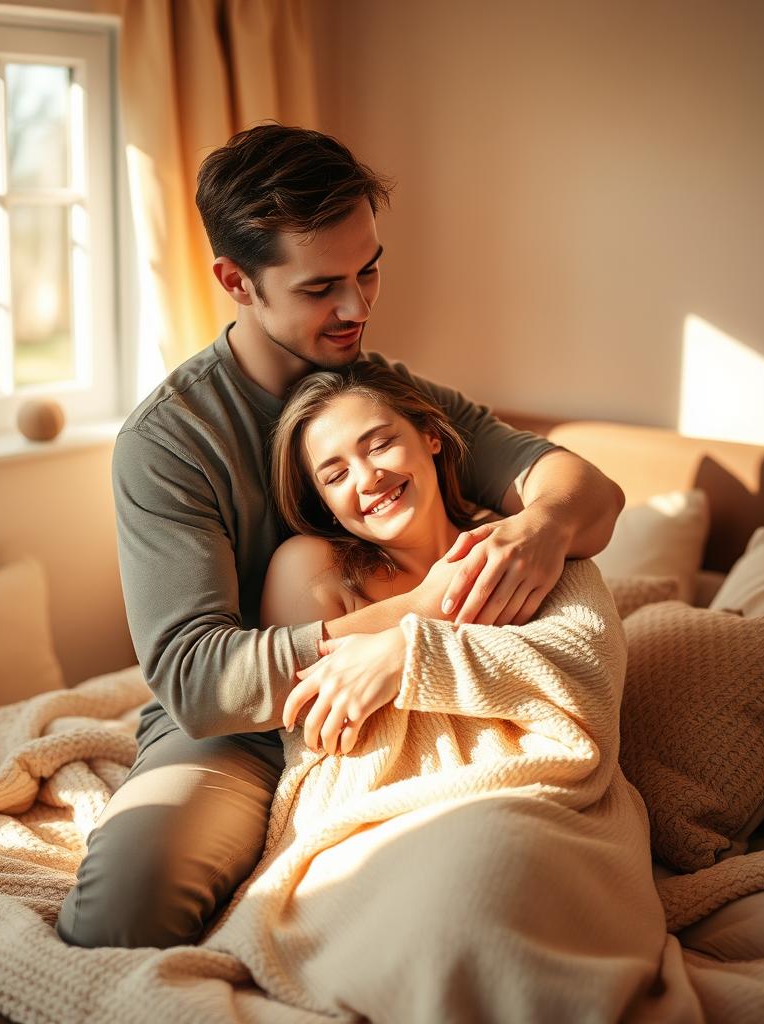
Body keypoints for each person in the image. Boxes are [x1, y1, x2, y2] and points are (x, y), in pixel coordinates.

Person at [56, 124, 625, 950]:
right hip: (240, 728)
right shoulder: (169, 442)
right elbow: (194, 679)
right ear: (236, 282)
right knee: (123, 913)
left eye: (369, 270)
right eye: (322, 286)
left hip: (417, 704)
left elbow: (592, 494)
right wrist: (417, 613)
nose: (357, 307)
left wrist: (542, 523)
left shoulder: (387, 392)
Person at [197, 361, 676, 1022]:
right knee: (440, 906)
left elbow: (586, 674)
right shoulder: (312, 566)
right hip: (373, 811)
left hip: (534, 797)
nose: (367, 479)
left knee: (494, 877)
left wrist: (410, 654)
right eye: (334, 474)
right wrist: (427, 609)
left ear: (431, 436)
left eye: (378, 443)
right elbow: (306, 694)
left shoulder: (526, 547)